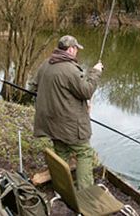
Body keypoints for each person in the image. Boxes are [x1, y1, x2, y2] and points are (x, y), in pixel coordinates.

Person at [32, 35, 103, 190]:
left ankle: (61, 187)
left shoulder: (46, 64)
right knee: (84, 152)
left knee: (61, 150)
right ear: (71, 49)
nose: (77, 52)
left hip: (51, 123)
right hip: (70, 125)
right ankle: (85, 192)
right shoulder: (70, 69)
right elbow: (87, 91)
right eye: (76, 48)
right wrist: (95, 72)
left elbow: (34, 87)